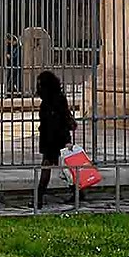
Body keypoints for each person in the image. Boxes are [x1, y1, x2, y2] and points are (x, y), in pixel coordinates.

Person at [34, 69, 80, 211]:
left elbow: (61, 119)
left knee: (48, 168)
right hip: (55, 137)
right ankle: (77, 193)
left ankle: (39, 198)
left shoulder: (52, 101)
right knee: (67, 167)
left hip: (53, 138)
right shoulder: (56, 99)